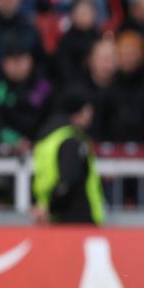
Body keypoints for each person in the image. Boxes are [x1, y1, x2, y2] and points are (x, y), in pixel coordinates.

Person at [32, 89, 106, 225]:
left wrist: (47, 206)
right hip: (77, 219)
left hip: (56, 218)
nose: (90, 115)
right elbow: (68, 181)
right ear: (77, 112)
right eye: (87, 110)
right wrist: (51, 208)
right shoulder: (71, 141)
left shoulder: (49, 138)